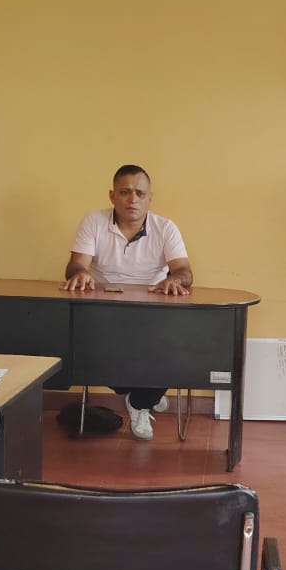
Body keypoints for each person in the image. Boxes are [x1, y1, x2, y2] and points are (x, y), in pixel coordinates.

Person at [62, 164, 193, 440]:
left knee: (178, 346)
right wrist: (81, 274)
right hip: (103, 310)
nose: (133, 199)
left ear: (150, 198)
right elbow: (75, 266)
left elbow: (185, 272)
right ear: (112, 195)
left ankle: (139, 401)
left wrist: (175, 280)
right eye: (125, 192)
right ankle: (147, 392)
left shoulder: (165, 227)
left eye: (140, 193)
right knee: (92, 349)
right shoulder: (94, 221)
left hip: (153, 310)